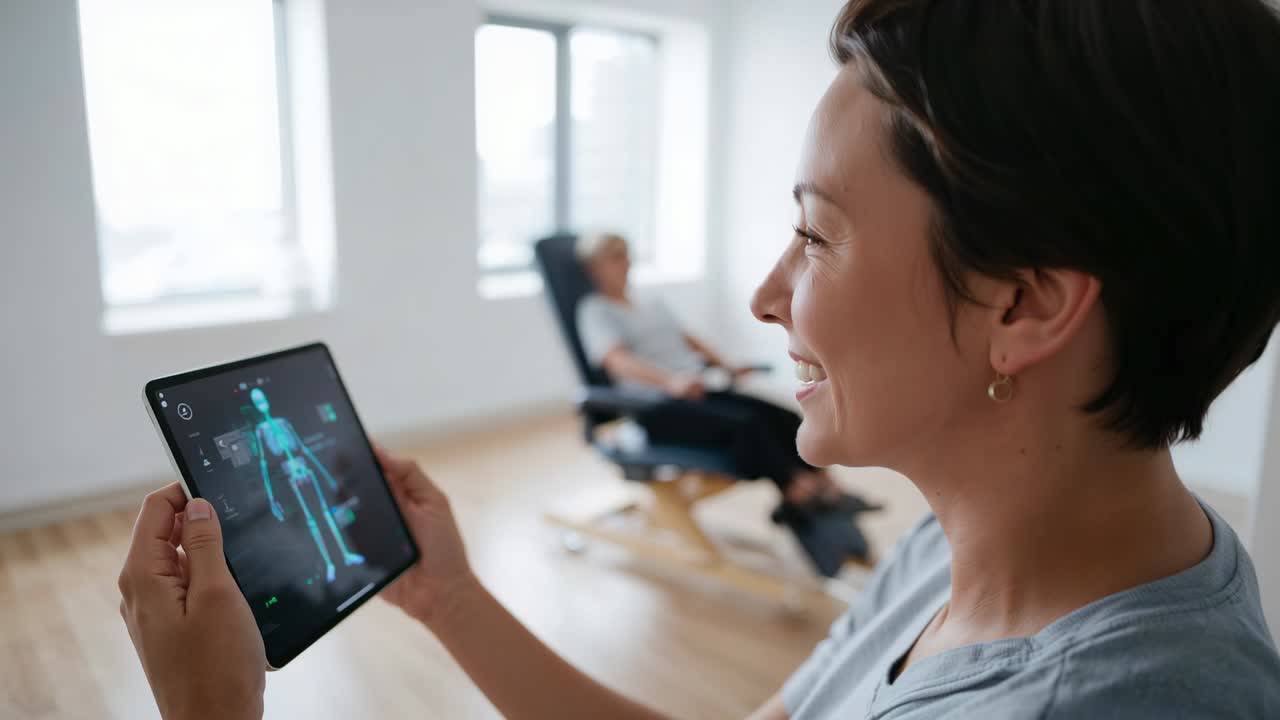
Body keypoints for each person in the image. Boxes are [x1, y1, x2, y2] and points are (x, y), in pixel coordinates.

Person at [118, 0, 1280, 717]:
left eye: (816, 235)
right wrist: (452, 597)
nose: (771, 293)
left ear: (1021, 306)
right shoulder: (959, 548)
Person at [574, 231, 864, 511]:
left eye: (626, 255)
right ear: (593, 269)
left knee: (785, 417)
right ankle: (798, 495)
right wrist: (670, 382)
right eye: (615, 257)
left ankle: (827, 485)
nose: (626, 263)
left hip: (696, 389)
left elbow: (690, 339)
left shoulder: (650, 302)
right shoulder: (594, 310)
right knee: (749, 426)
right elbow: (617, 360)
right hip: (655, 405)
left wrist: (726, 365)